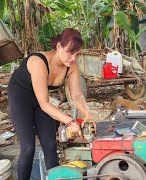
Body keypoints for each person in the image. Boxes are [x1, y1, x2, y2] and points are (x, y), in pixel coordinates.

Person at [7, 28, 96, 179]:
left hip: (42, 100)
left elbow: (77, 95)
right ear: (59, 46)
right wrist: (69, 122)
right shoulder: (39, 62)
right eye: (70, 52)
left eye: (77, 54)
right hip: (20, 97)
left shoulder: (71, 65)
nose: (74, 58)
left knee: (50, 145)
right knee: (28, 148)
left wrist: (87, 113)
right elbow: (45, 104)